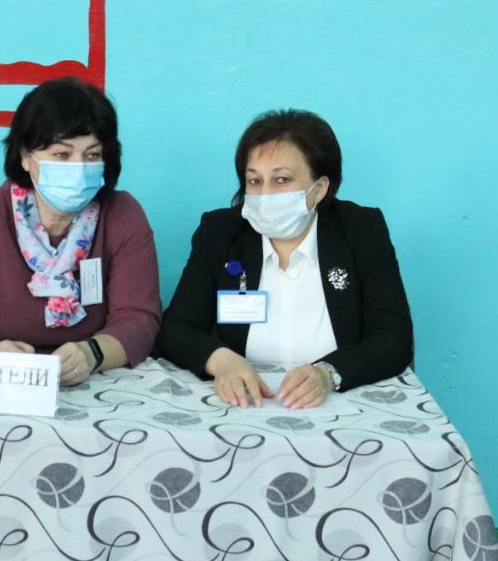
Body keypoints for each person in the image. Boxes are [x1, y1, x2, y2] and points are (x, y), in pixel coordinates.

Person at [0, 76, 161, 385]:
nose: (78, 167)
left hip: (91, 382)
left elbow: (139, 319)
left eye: (92, 155)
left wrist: (92, 353)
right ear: (26, 156)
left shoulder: (122, 215)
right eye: (62, 154)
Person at [158, 109, 413, 408]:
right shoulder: (220, 232)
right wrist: (222, 361)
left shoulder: (361, 230)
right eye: (254, 181)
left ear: (319, 188)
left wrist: (328, 373)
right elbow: (176, 329)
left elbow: (393, 338)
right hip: (244, 404)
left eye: (281, 180)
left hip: (339, 403)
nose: (265, 195)